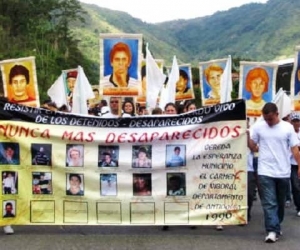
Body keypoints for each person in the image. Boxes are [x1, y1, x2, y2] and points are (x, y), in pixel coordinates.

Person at [248, 102, 300, 243]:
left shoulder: (287, 128)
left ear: (277, 114)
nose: (268, 122)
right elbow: (253, 147)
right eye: (266, 119)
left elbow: (295, 148)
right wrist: (248, 137)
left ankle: (276, 224)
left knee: (280, 202)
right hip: (265, 171)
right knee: (269, 202)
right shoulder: (259, 127)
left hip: (283, 171)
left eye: (270, 119)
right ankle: (271, 230)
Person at [289, 113, 300, 216]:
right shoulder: (289, 133)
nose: (296, 123)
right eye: (294, 121)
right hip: (293, 164)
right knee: (296, 187)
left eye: (298, 121)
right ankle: (299, 207)